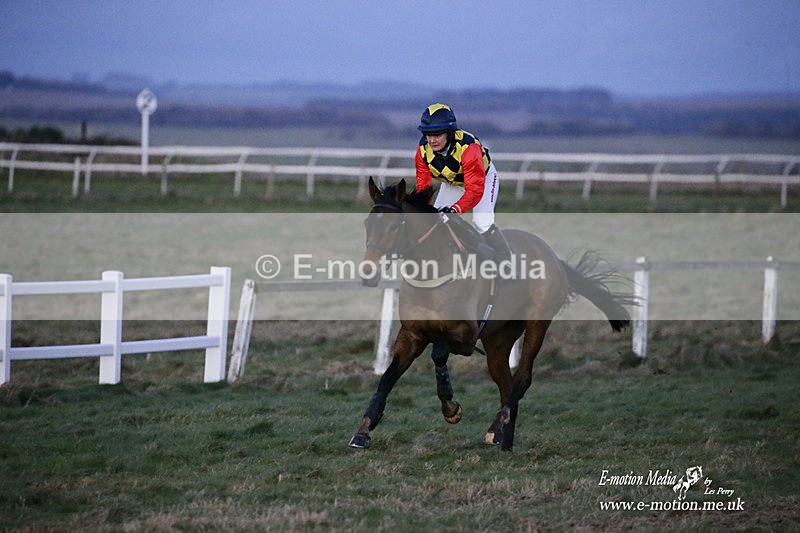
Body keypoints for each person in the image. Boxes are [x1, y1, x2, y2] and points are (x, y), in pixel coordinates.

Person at [415, 103, 511, 260]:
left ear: (449, 133)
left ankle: (508, 263)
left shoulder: (468, 148)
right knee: (436, 222)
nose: (432, 140)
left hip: (482, 181)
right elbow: (423, 187)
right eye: (428, 134)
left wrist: (454, 210)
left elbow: (474, 191)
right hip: (453, 183)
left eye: (437, 135)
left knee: (482, 223)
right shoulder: (422, 151)